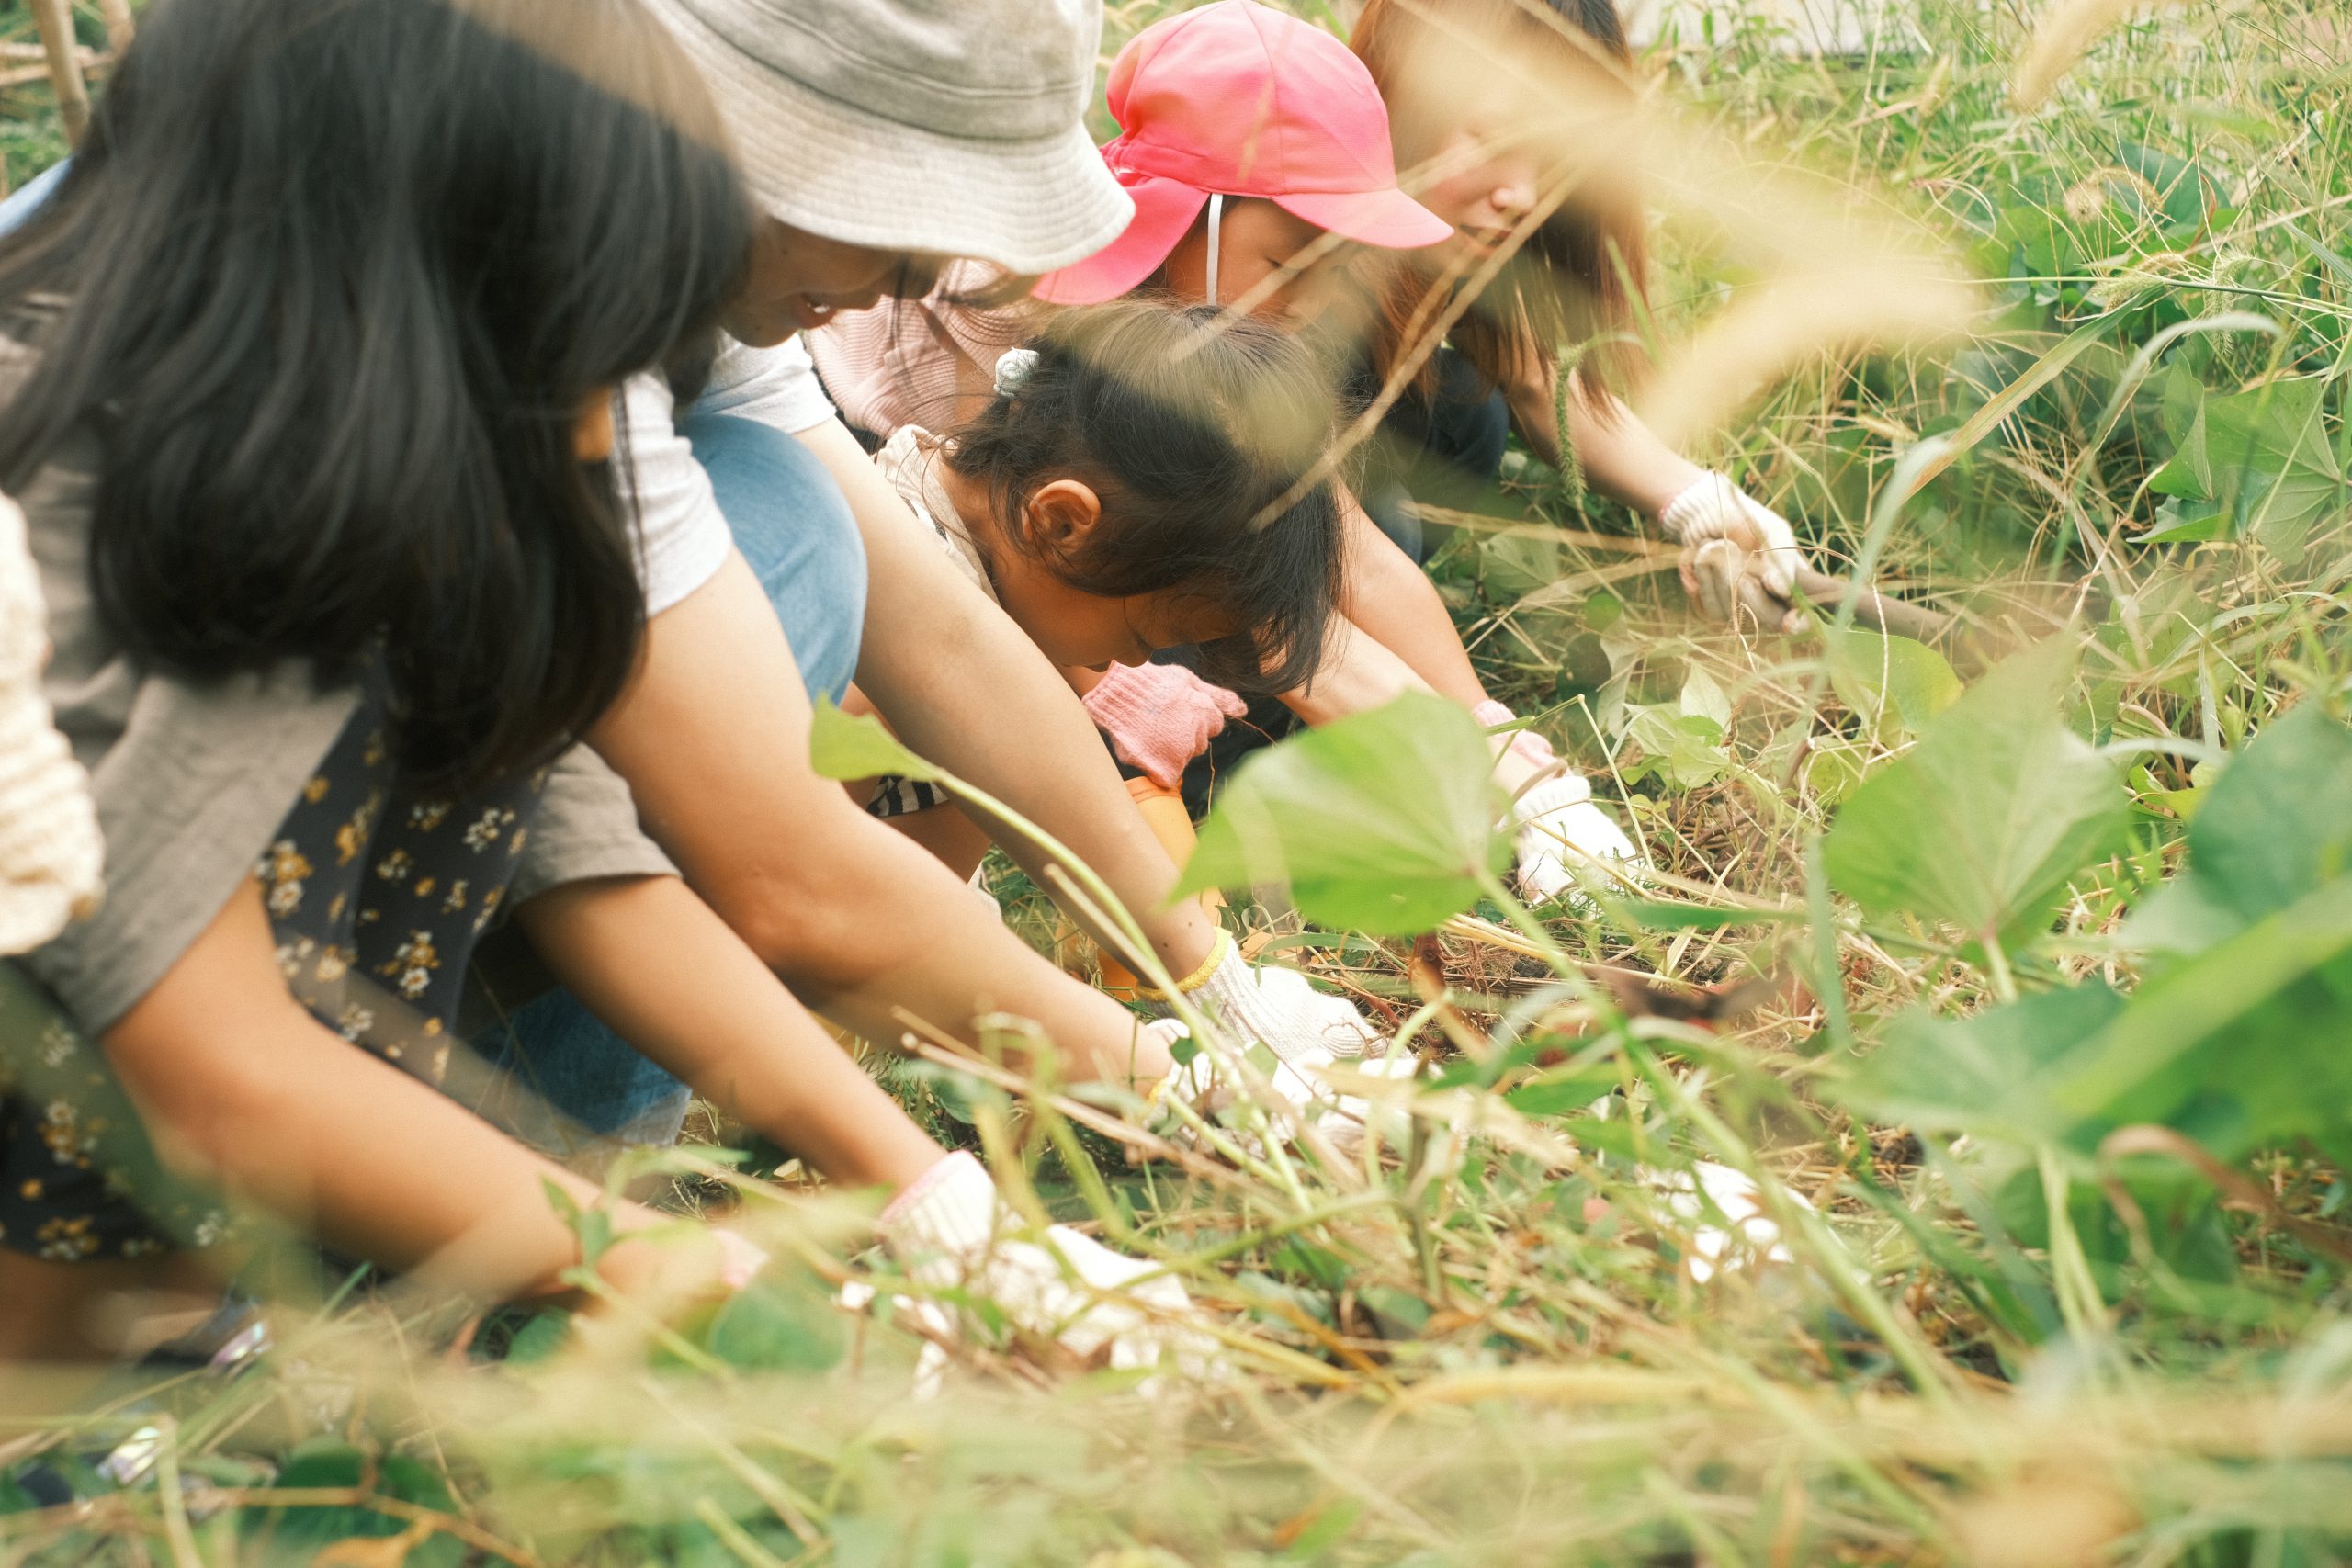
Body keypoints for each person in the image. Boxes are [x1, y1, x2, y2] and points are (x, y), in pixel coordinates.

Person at [0, 0, 1202, 1373]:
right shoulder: (137, 530)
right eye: (599, 312)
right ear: (394, 258)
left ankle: (270, 1311)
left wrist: (932, 1197)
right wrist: (696, 1281)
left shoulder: (435, 469)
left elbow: (599, 871)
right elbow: (218, 1077)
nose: (625, 399)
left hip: (198, 1269)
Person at [810, 0, 1642, 908]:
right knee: (983, 674)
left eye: (1344, 264)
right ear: (1191, 219)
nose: (1321, 299)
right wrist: (1113, 691)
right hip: (883, 480)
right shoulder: (1051, 310)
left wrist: (1490, 738)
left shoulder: (1240, 328)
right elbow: (1027, 567)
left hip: (1039, 544)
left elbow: (1341, 537)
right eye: (1295, 257)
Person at [1348, 0, 1812, 626]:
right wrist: (1471, 714)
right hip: (1191, 593)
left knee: (1465, 408)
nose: (1524, 195)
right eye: (1495, 138)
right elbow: (1342, 549)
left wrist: (1700, 502)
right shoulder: (1282, 241)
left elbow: (1535, 379)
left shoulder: (1433, 246)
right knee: (1377, 535)